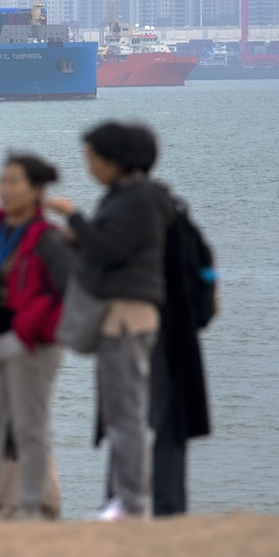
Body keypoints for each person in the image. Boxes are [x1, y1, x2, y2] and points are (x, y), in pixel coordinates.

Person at [45, 122, 170, 521]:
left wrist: (74, 217)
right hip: (121, 318)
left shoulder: (137, 200)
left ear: (117, 160)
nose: (90, 168)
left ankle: (132, 503)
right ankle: (126, 497)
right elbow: (109, 244)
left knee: (126, 412)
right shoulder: (128, 197)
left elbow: (110, 249)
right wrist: (74, 236)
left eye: (94, 159)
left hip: (127, 318)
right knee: (120, 411)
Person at [0, 155, 73, 521]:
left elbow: (67, 292)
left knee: (29, 429)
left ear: (37, 190)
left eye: (14, 182)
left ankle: (31, 507)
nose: (4, 189)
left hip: (27, 344)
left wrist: (29, 330)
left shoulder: (49, 239)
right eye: (2, 180)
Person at [129, 126, 215, 517]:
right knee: (170, 426)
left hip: (153, 334)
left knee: (136, 422)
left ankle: (139, 506)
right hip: (181, 333)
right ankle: (168, 507)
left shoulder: (136, 210)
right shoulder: (176, 211)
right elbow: (206, 267)